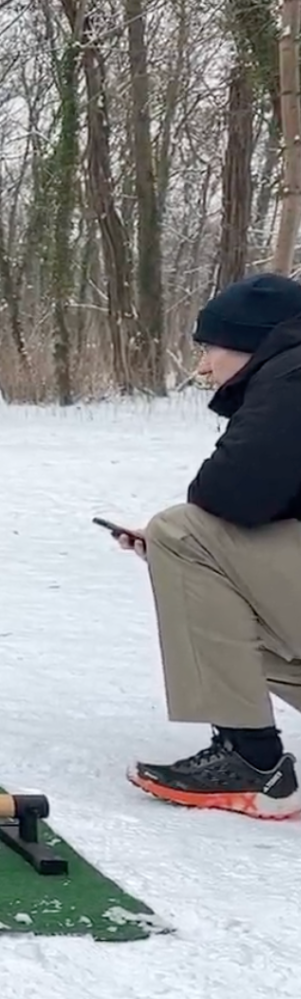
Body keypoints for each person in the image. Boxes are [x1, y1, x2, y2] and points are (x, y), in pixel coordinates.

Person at [113, 273, 301, 820]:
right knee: (208, 589)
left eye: (209, 347)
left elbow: (225, 494)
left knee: (179, 529)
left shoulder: (293, 376)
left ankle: (252, 762)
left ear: (253, 341)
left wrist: (186, 547)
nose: (202, 367)